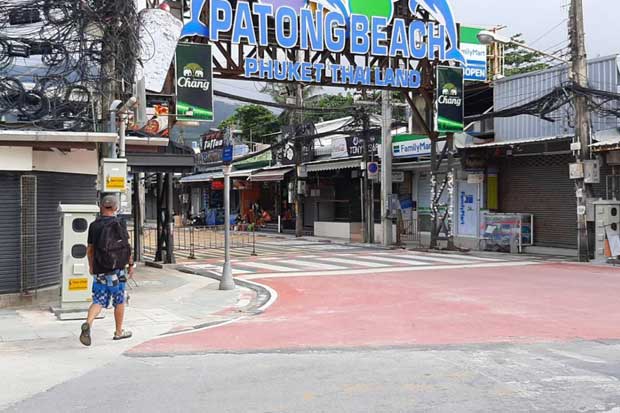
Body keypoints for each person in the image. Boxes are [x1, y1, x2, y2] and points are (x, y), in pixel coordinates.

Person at [80, 194, 134, 346]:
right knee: (119, 299)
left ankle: (88, 324)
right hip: (118, 269)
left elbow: (90, 250)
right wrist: (131, 265)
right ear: (116, 207)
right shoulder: (120, 223)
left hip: (100, 268)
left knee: (98, 300)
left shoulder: (94, 225)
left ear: (101, 207)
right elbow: (126, 247)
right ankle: (118, 332)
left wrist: (91, 266)